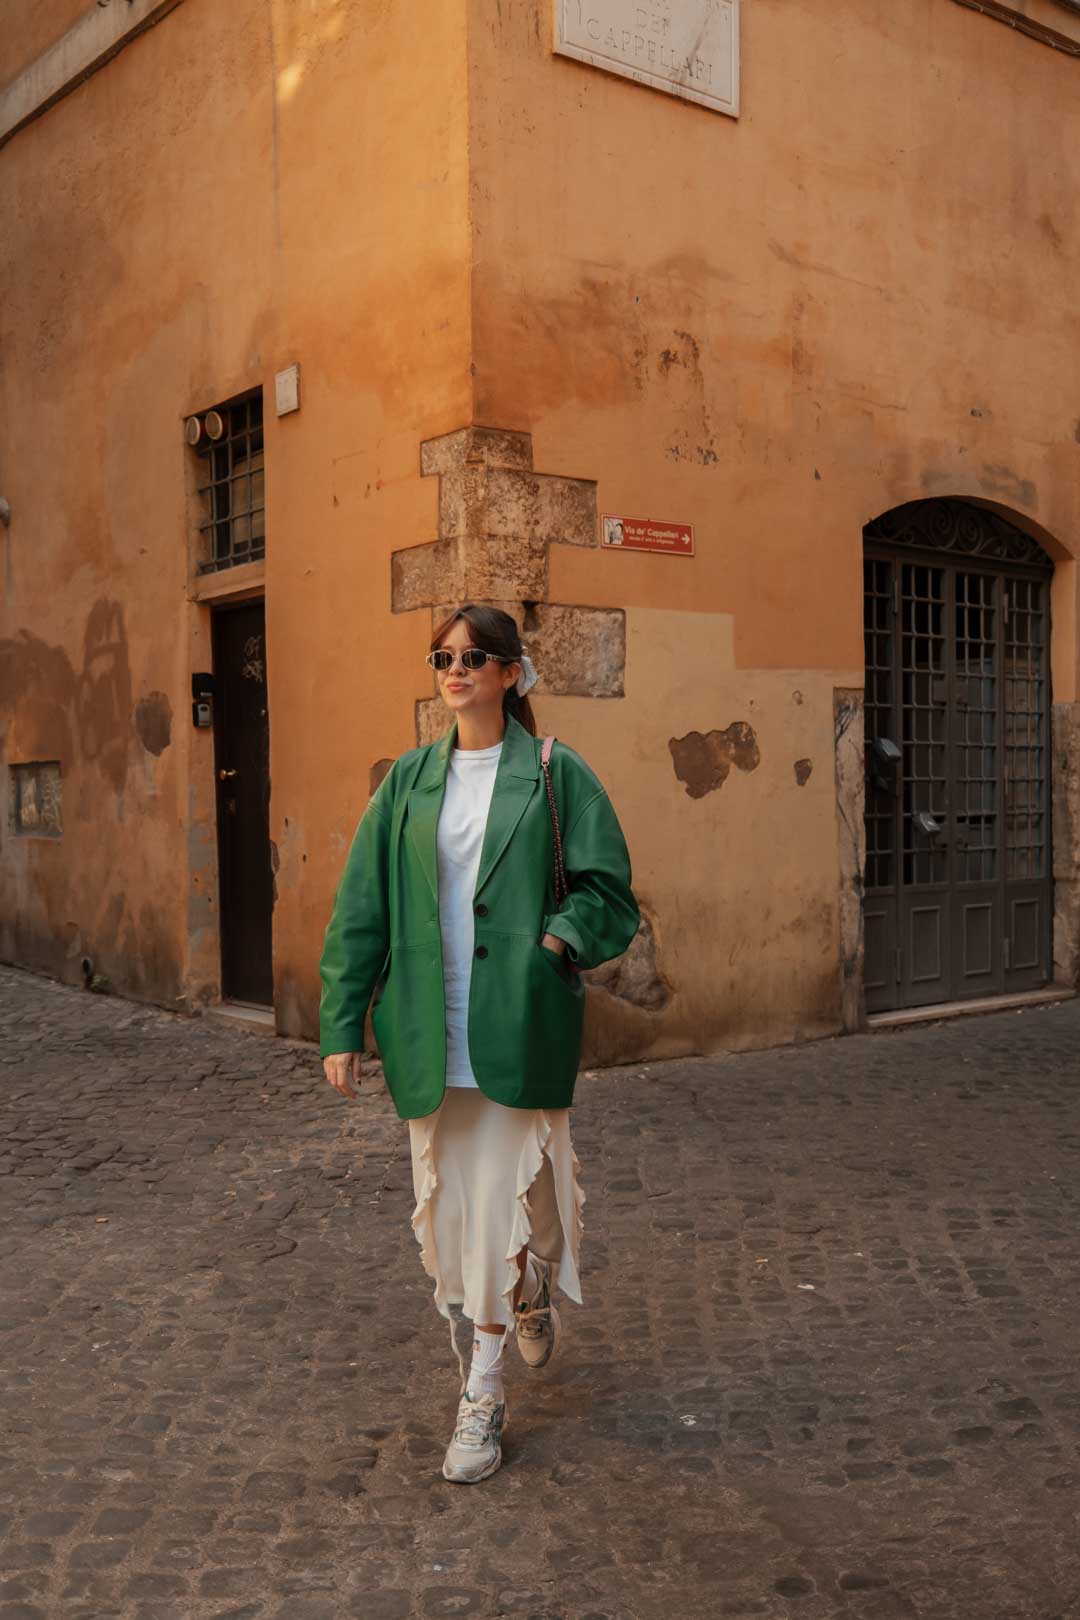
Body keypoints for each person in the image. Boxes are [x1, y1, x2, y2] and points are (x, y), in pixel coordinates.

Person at [319, 603, 639, 1483]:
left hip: (518, 1018)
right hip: (431, 1027)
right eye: (442, 656)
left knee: (501, 1197)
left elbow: (611, 892)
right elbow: (361, 911)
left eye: (473, 656)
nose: (454, 669)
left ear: (509, 672)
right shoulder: (408, 783)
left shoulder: (552, 771)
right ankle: (528, 1288)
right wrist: (343, 1022)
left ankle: (482, 1393)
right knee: (466, 1212)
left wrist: (556, 942)